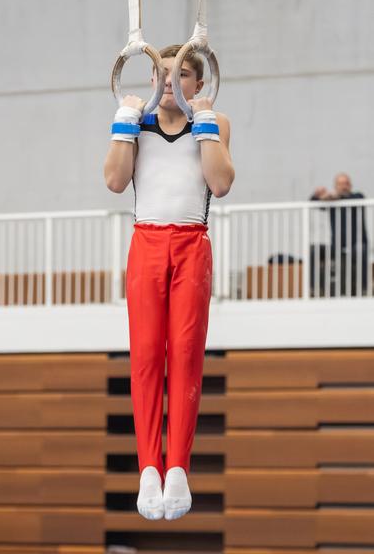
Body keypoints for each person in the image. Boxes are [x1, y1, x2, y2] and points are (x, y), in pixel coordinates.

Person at [104, 44, 234, 521]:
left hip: (192, 246)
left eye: (178, 76)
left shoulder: (214, 123)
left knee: (184, 357)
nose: (166, 83)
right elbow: (115, 182)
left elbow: (219, 184)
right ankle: (148, 469)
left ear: (198, 84)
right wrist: (122, 121)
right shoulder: (135, 126)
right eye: (159, 74)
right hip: (147, 244)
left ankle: (177, 465)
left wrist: (203, 121)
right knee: (145, 358)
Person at [310, 173, 368, 295]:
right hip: (336, 246)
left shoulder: (357, 197)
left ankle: (363, 289)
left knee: (361, 250)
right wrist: (317, 194)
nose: (344, 186)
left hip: (356, 245)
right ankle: (315, 289)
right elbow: (313, 203)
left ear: (350, 185)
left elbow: (356, 198)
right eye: (340, 184)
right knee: (314, 250)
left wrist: (334, 197)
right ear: (335, 186)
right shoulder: (332, 202)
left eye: (346, 183)